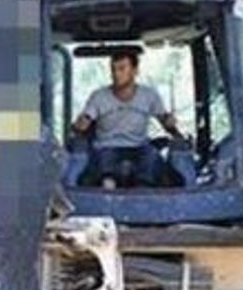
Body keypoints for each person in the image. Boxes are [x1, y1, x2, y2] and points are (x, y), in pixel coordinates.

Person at [71, 50, 186, 188]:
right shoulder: (99, 96)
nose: (116, 74)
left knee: (153, 159)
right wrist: (81, 124)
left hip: (139, 147)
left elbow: (166, 122)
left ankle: (144, 193)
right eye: (113, 69)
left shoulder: (149, 96)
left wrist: (172, 126)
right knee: (105, 173)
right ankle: (107, 193)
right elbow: (85, 120)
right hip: (107, 146)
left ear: (135, 71)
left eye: (121, 69)